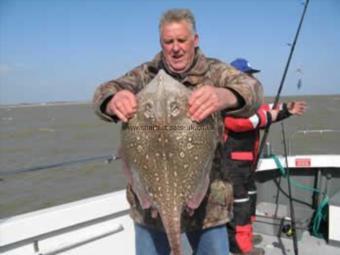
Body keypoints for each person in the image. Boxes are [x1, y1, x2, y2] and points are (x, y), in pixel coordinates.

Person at [93, 10, 263, 255]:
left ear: (195, 40)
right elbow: (102, 93)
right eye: (168, 42)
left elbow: (254, 90)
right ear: (160, 43)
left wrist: (224, 96)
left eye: (181, 40)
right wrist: (113, 100)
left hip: (209, 204)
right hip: (150, 204)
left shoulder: (215, 72)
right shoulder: (144, 74)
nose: (175, 48)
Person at [223, 58, 306, 255]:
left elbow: (264, 110)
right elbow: (240, 123)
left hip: (248, 164)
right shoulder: (226, 100)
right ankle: (240, 248)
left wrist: (287, 109)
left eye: (252, 75)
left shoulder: (248, 103)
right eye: (248, 75)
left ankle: (247, 238)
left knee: (250, 201)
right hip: (232, 166)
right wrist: (271, 116)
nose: (252, 79)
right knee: (240, 207)